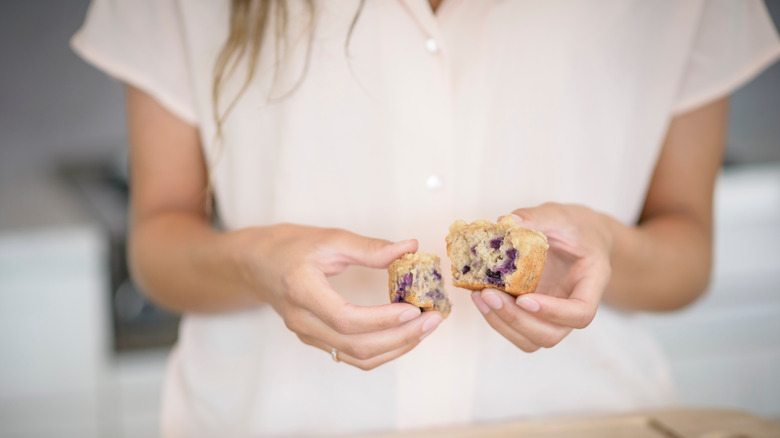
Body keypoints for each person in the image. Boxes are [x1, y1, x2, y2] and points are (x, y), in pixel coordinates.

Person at [72, 0, 780, 436]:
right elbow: (158, 248)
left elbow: (686, 255)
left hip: (588, 419)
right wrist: (252, 261)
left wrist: (606, 248)